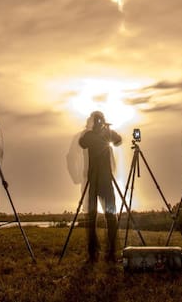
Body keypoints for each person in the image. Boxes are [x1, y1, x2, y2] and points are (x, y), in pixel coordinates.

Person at [78, 110, 122, 262]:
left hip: (97, 180)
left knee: (97, 216)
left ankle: (97, 252)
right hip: (102, 180)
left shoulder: (91, 135)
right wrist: (105, 131)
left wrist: (97, 131)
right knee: (107, 215)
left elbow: (118, 140)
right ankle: (108, 252)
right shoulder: (97, 134)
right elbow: (118, 140)